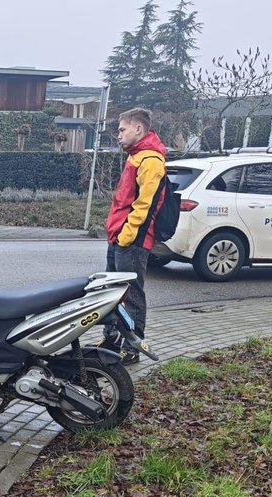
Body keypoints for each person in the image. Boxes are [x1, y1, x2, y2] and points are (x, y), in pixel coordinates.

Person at [100, 107, 168, 365]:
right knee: (110, 291)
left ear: (138, 129)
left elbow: (145, 205)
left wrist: (127, 236)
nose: (118, 135)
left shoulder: (150, 160)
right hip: (118, 236)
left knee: (131, 295)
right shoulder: (136, 156)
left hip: (132, 241)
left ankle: (132, 346)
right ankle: (111, 338)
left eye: (122, 129)